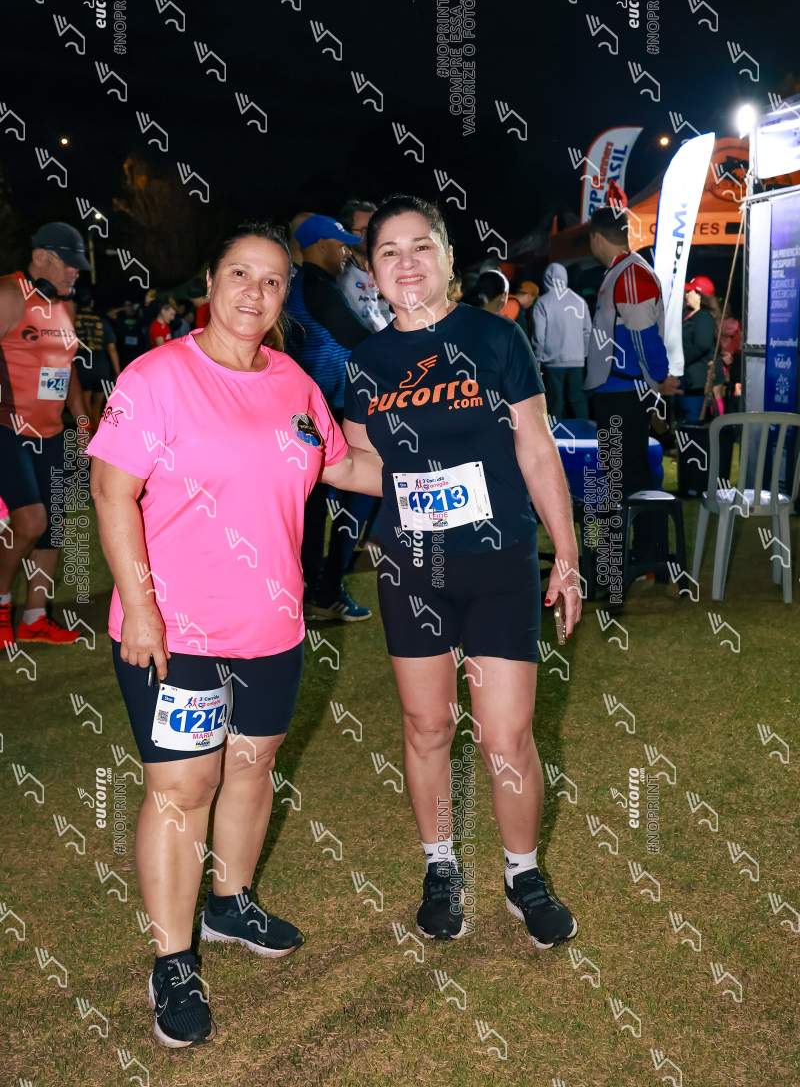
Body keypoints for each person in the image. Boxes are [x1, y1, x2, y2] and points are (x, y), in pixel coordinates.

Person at [87, 221, 382, 1049]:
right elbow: (110, 492)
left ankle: (230, 903)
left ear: (287, 296)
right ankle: (173, 960)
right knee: (185, 790)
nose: (256, 293)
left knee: (251, 770)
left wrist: (450, 465)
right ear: (211, 283)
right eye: (241, 275)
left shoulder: (293, 382)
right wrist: (142, 609)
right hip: (176, 631)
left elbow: (341, 466)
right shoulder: (156, 378)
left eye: (273, 281)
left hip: (272, 627)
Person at [343, 194, 582, 950]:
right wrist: (294, 454)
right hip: (412, 566)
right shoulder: (365, 363)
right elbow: (364, 466)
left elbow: (535, 447)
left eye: (422, 246)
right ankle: (440, 866)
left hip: (499, 560)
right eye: (389, 251)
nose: (407, 262)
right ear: (372, 271)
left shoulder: (495, 337)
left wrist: (567, 554)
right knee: (428, 726)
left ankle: (522, 874)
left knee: (505, 736)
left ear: (448, 256)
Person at [0, 221, 90, 646]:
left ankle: (35, 616)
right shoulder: (8, 294)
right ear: (41, 257)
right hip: (9, 427)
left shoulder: (63, 306)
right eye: (69, 263)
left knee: (53, 527)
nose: (76, 272)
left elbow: (66, 368)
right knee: (30, 521)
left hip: (52, 434)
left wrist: (83, 421)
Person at [286, 214, 375, 621]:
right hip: (326, 410)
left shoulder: (309, 285)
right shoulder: (316, 286)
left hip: (315, 409)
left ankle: (311, 586)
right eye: (339, 245)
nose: (345, 253)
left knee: (316, 503)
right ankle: (326, 589)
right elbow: (358, 338)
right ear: (319, 244)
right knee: (356, 495)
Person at [584, 207, 681, 569]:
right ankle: (640, 553)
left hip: (624, 394)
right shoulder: (623, 272)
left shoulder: (629, 274)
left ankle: (646, 555)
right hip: (620, 392)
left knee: (630, 477)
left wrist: (658, 377)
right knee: (626, 476)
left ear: (597, 237)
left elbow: (642, 335)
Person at [533, 263, 591, 420]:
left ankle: (555, 433)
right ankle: (585, 431)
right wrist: (583, 355)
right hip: (577, 361)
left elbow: (539, 336)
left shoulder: (543, 302)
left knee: (555, 402)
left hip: (552, 362)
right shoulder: (580, 301)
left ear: (546, 279)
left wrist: (537, 360)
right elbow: (587, 332)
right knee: (577, 400)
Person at [336, 199, 390, 331]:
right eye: (363, 229)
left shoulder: (387, 268)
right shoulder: (338, 273)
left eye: (374, 229)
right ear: (347, 232)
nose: (370, 235)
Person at [73, 289, 120, 431]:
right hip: (101, 369)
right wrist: (117, 371)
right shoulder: (102, 322)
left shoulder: (72, 321)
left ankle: (87, 434)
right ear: (91, 303)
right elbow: (111, 349)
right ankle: (96, 435)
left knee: (84, 405)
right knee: (98, 406)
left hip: (82, 368)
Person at [676, 275, 721, 423]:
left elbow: (702, 345)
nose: (686, 294)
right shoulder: (688, 315)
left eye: (690, 291)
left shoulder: (703, 317)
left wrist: (679, 360)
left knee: (693, 420)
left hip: (696, 382)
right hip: (685, 379)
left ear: (699, 296)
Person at [109, 298, 145, 368]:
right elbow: (110, 314)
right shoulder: (121, 318)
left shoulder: (138, 317)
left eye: (129, 305)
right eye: (125, 305)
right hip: (124, 352)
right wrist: (123, 308)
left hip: (136, 352)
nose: (128, 307)